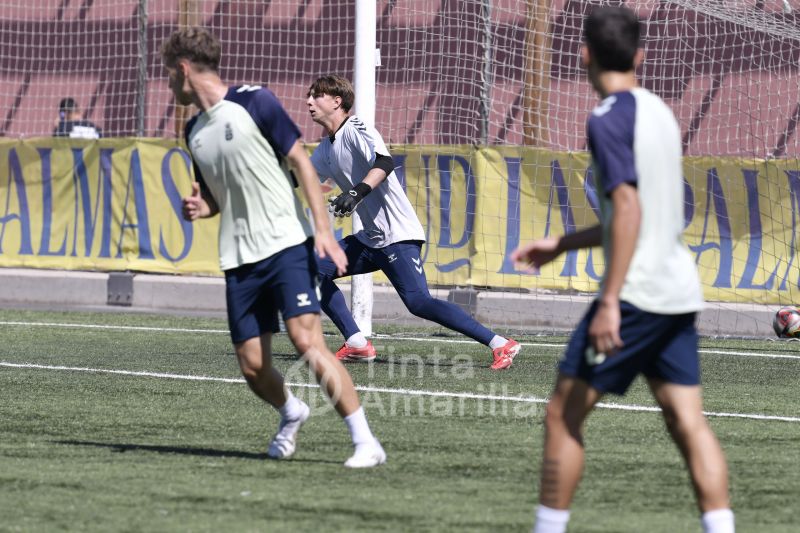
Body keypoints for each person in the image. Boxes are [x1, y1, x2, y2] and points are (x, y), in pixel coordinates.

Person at [512, 7, 734, 533]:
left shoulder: (607, 117)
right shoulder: (659, 109)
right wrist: (563, 244)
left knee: (562, 416)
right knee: (687, 422)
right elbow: (641, 212)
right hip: (677, 292)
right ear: (639, 56)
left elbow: (629, 209)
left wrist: (609, 301)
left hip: (637, 296)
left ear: (584, 53)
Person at [160, 28, 385, 468]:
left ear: (184, 69)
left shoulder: (256, 102)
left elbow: (301, 161)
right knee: (252, 367)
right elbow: (214, 198)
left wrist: (322, 231)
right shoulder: (194, 130)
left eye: (169, 72)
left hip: (286, 244)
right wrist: (199, 207)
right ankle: (291, 410)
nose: (167, 82)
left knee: (306, 341)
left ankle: (365, 442)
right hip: (239, 258)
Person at [306, 74, 521, 370]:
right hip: (369, 238)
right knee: (311, 268)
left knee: (419, 303)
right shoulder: (326, 148)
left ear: (336, 101)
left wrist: (355, 193)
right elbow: (301, 177)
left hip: (397, 235)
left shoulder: (357, 127)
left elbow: (384, 162)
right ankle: (356, 342)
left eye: (315, 95)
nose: (308, 101)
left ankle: (501, 343)